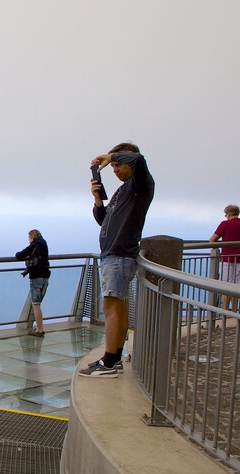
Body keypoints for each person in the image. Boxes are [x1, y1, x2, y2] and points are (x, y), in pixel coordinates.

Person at [78, 143, 155, 378]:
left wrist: (110, 155)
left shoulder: (140, 184)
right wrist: (98, 200)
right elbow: (104, 221)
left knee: (110, 308)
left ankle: (109, 363)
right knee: (118, 309)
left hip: (119, 254)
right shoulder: (124, 191)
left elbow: (139, 159)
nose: (115, 169)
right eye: (113, 166)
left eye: (119, 164)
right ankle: (115, 358)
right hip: (115, 254)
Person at [209, 204, 240, 312]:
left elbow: (212, 240)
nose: (225, 216)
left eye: (225, 215)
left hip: (226, 259)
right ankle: (234, 311)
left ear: (229, 213)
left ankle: (225, 311)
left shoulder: (225, 224)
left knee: (225, 285)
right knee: (237, 285)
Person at [15, 230, 51, 337]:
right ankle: (39, 328)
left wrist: (18, 254)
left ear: (31, 236)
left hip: (36, 277)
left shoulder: (35, 245)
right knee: (38, 304)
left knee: (36, 304)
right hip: (45, 276)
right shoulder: (44, 245)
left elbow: (20, 255)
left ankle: (40, 330)